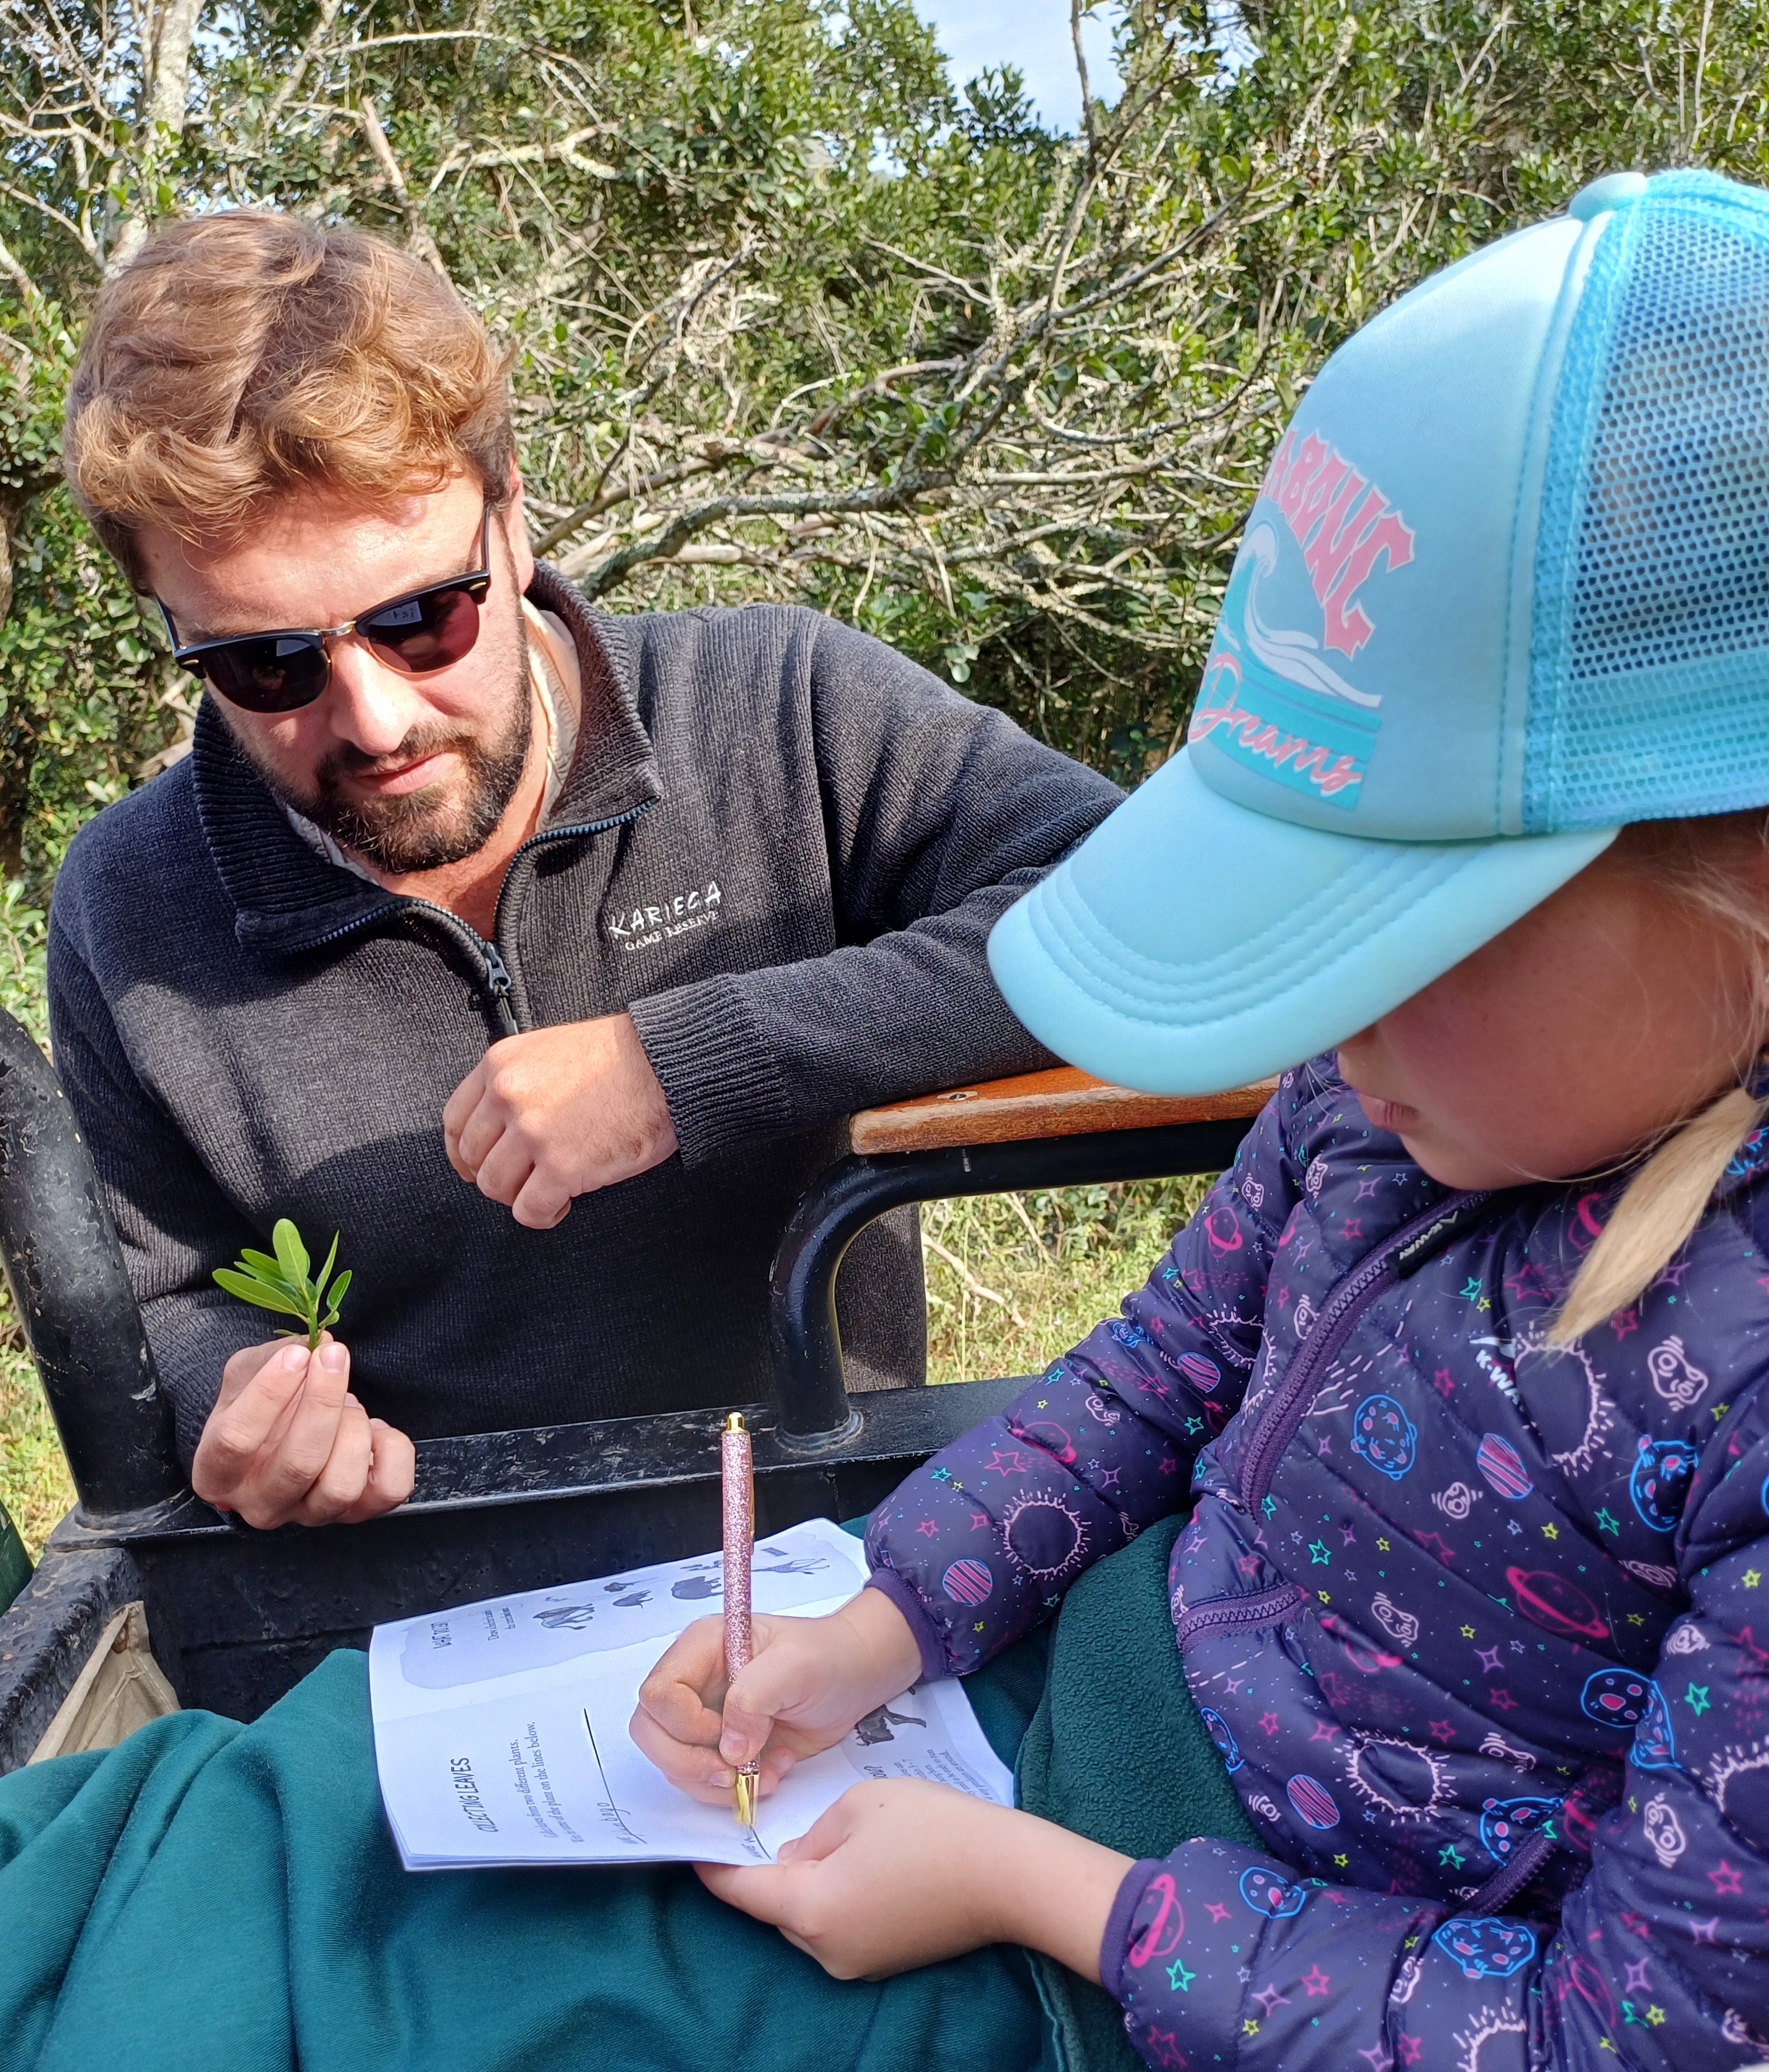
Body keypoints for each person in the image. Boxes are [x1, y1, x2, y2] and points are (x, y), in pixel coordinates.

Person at [637, 166, 1769, 2072]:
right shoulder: (1392, 1097)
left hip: (1293, 1989)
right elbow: (1154, 1380)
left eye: (1404, 938)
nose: (1327, 1029)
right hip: (1109, 1714)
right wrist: (880, 1623)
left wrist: (1029, 1892)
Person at [50, 211, 1122, 1530]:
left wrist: (696, 1061)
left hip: (819, 1548)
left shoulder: (780, 703)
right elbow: (157, 1293)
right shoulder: (124, 901)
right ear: (173, 627)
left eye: (420, 618)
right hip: (410, 1588)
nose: (375, 720)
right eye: (264, 664)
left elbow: (1136, 905)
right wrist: (250, 1403)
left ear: (511, 521)